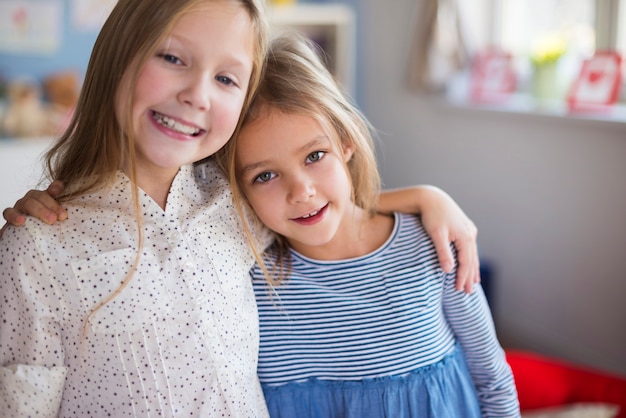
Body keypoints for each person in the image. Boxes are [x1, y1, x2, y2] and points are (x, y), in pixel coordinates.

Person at [0, 1, 482, 417]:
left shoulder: (234, 205)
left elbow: (310, 206)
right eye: (172, 57)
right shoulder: (37, 246)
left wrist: (426, 198)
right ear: (118, 55)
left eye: (227, 78)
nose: (197, 94)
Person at [223, 33, 521, 417]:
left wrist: (428, 196)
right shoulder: (248, 282)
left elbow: (492, 378)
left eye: (314, 155)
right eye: (265, 176)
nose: (301, 191)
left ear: (346, 141)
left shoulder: (432, 244)